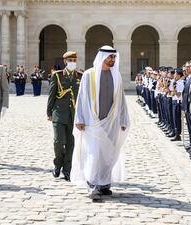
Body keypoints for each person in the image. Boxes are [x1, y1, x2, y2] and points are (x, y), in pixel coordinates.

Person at [71, 46, 130, 200]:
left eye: (114, 58)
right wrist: (79, 119)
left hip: (112, 122)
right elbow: (82, 98)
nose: (113, 60)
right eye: (110, 57)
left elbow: (122, 100)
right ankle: (92, 185)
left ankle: (104, 184)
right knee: (94, 153)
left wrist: (124, 119)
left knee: (107, 154)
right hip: (92, 122)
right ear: (102, 57)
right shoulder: (89, 75)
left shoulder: (116, 75)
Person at [47, 51, 82, 181]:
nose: (72, 62)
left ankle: (67, 169)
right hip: (58, 113)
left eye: (74, 60)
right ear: (65, 61)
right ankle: (58, 164)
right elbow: (52, 94)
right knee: (58, 141)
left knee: (71, 144)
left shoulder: (80, 76)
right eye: (70, 60)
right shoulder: (57, 76)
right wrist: (49, 112)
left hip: (74, 115)